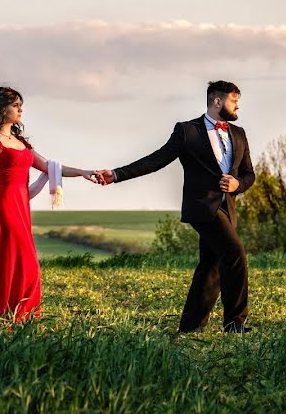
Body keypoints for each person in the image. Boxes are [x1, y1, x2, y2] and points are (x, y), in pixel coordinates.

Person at [95, 81, 256, 333]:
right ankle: (235, 323)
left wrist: (237, 184)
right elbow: (156, 159)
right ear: (217, 101)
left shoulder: (239, 134)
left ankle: (191, 327)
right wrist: (116, 174)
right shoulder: (187, 131)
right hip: (202, 209)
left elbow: (249, 174)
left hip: (228, 209)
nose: (238, 106)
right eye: (234, 100)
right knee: (235, 253)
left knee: (211, 266)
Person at [0, 86, 97, 322]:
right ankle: (6, 316)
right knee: (23, 263)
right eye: (15, 105)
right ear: (0, 108)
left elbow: (50, 166)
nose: (20, 109)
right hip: (3, 208)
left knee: (22, 264)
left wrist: (85, 172)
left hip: (21, 208)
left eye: (20, 105)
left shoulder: (21, 142)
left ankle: (19, 319)